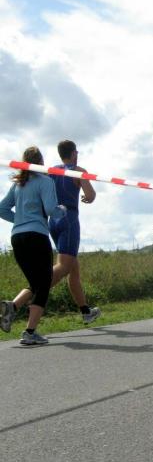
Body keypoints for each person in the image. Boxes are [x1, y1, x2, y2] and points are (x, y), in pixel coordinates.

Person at [0, 147, 66, 345]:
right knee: (44, 283)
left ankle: (12, 307)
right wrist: (62, 210)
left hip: (17, 237)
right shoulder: (45, 181)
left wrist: (20, 220)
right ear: (41, 162)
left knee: (36, 282)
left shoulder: (18, 184)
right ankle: (30, 332)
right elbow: (51, 209)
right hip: (36, 236)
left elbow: (2, 209)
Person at [48, 140, 101, 324]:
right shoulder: (78, 171)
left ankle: (86, 311)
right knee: (64, 267)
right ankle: (26, 297)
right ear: (73, 153)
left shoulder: (52, 171)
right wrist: (87, 197)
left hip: (53, 219)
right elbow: (91, 195)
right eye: (76, 152)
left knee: (73, 268)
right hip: (69, 219)